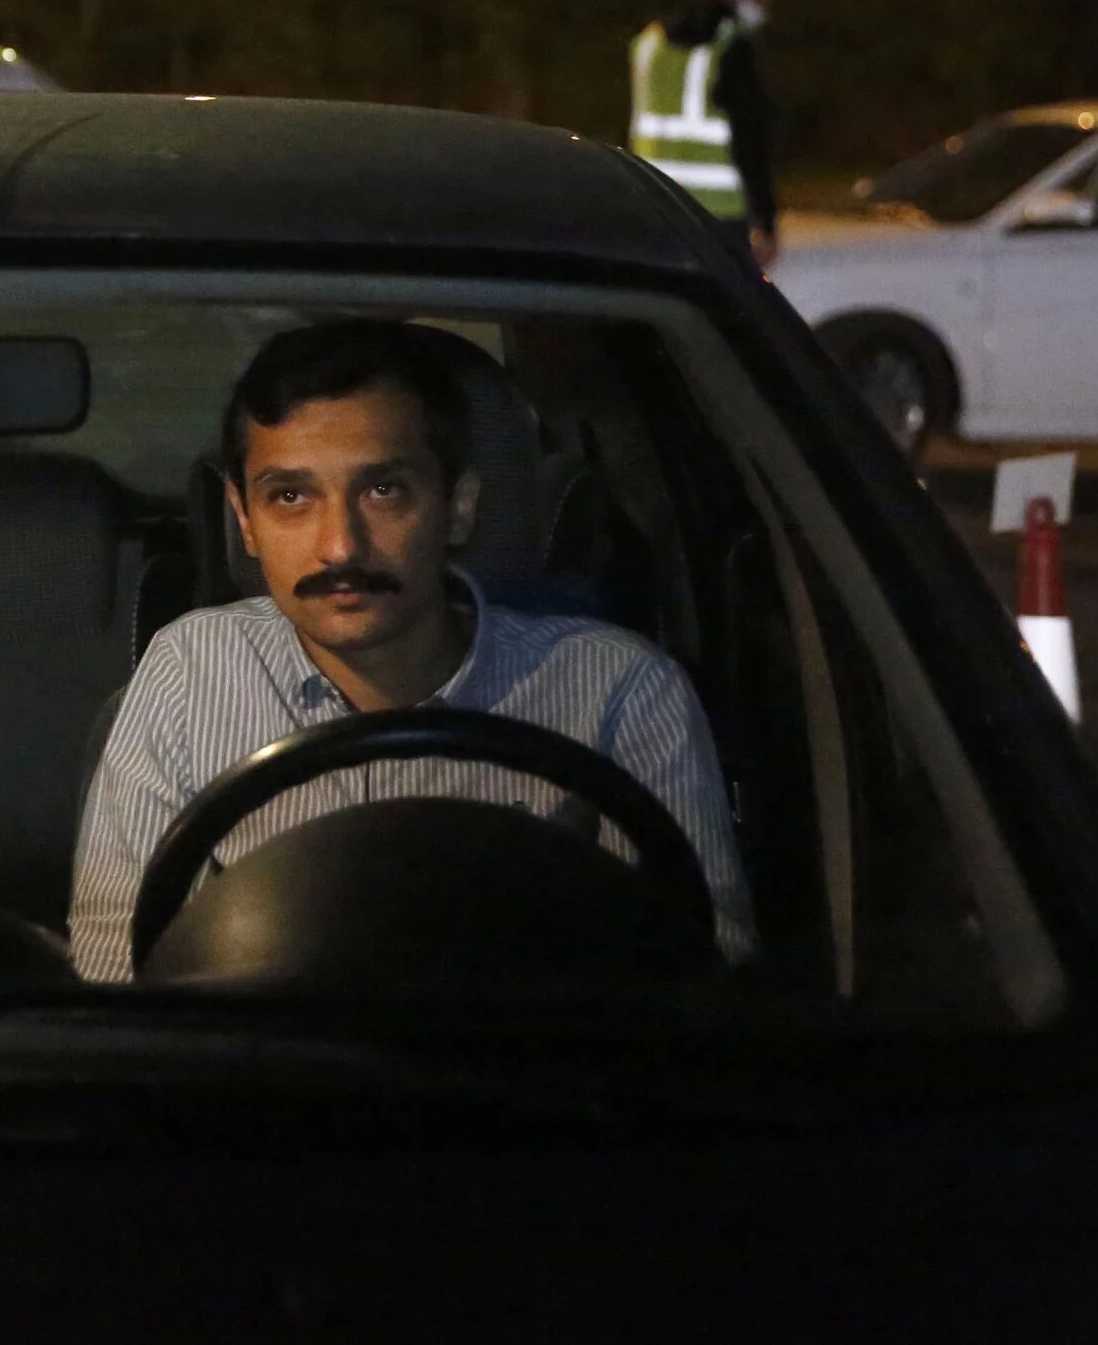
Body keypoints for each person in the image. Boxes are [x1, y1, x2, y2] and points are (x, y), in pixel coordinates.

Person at [67, 322, 755, 983]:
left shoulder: (619, 691)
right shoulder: (192, 672)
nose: (340, 546)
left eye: (383, 490)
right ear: (244, 520)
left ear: (458, 506)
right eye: (290, 496)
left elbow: (697, 973)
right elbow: (116, 963)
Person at [630, 0, 780, 268]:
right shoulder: (732, 47)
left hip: (655, 207)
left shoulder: (650, 43)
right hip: (718, 216)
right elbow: (750, 141)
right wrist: (766, 221)